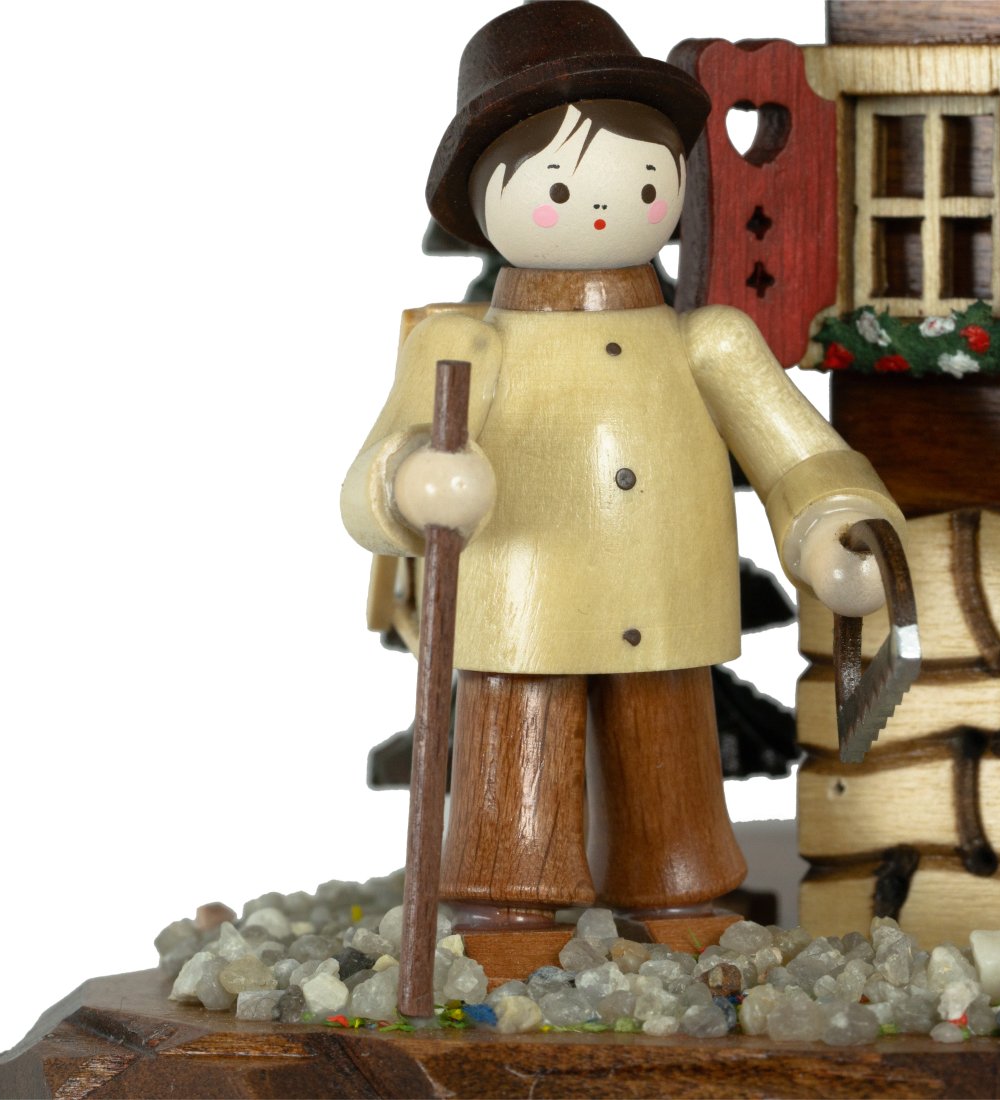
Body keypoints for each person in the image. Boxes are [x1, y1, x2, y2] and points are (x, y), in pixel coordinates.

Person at [340, 1, 903, 927]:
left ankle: (678, 893)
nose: (602, 208)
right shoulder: (464, 346)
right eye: (559, 192)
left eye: (644, 183)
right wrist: (410, 482)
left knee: (667, 764)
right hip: (523, 609)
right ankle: (509, 907)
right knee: (517, 761)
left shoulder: (708, 342)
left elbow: (796, 450)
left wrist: (831, 519)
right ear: (483, 199)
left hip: (664, 604)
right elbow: (367, 484)